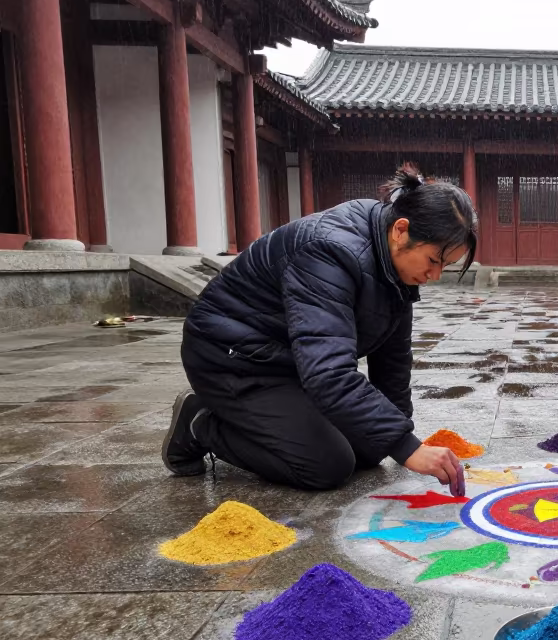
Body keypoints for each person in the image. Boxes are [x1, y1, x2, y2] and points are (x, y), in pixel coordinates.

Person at [162, 164, 476, 492]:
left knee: (373, 446)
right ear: (401, 230)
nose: (434, 275)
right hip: (231, 358)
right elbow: (328, 372)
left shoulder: (392, 258)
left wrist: (401, 437)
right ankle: (200, 425)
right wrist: (407, 447)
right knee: (326, 465)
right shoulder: (329, 251)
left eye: (446, 265)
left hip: (290, 360)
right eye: (433, 260)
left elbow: (392, 359)